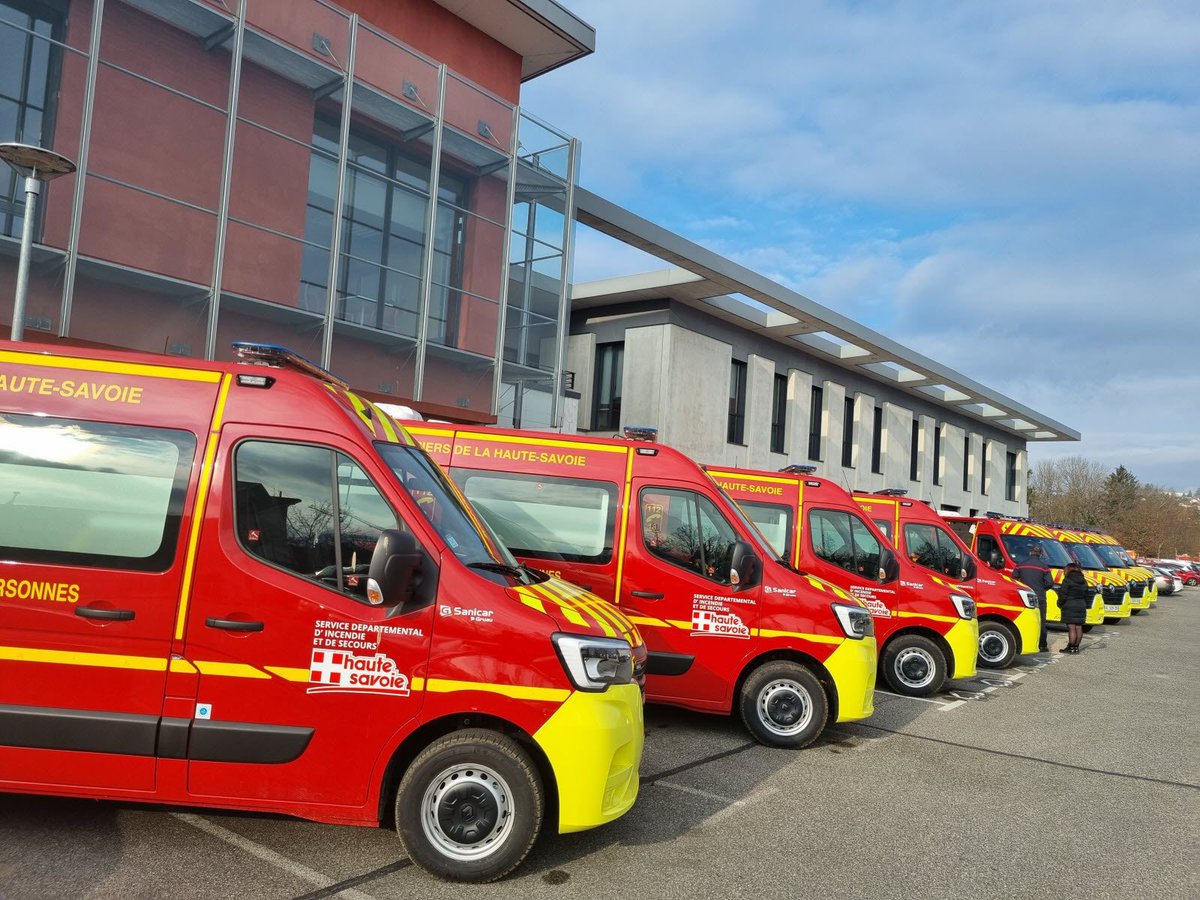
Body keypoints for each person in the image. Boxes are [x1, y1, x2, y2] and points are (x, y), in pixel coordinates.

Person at [1012, 543, 1054, 652]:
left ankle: (1026, 643)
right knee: (1041, 621)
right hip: (1039, 597)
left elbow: (1013, 580)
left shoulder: (1021, 564)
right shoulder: (1044, 567)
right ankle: (1042, 645)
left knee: (1025, 620)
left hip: (1024, 597)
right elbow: (1050, 583)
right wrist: (1041, 588)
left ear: (1030, 552)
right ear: (1040, 554)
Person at [1057, 561, 1091, 653]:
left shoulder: (1067, 580)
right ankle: (1076, 647)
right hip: (1081, 605)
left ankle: (1070, 647)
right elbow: (1087, 594)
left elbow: (1063, 594)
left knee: (1071, 627)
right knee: (1079, 627)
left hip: (1070, 605)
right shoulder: (1084, 581)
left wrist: (1060, 604)